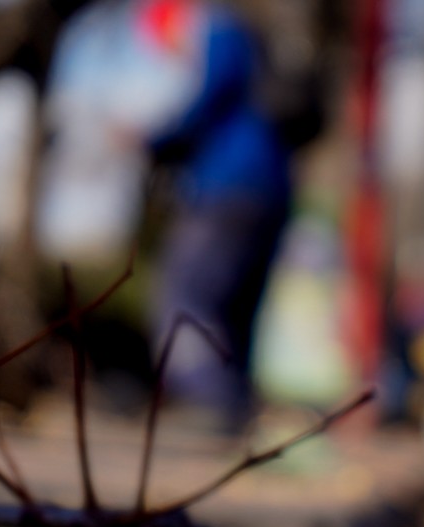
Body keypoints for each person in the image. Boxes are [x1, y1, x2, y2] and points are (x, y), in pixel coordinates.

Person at [138, 0, 293, 432]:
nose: (172, 53)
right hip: (270, 189)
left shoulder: (217, 29)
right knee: (237, 305)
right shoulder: (250, 41)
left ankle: (207, 401)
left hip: (228, 186)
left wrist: (159, 139)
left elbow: (209, 98)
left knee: (184, 295)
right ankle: (234, 409)